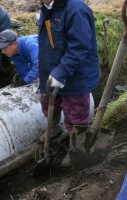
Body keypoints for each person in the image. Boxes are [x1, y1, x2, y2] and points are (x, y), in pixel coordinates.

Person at [38, 0, 100, 166]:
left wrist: (61, 72)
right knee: (47, 101)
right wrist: (47, 72)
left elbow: (79, 47)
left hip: (76, 74)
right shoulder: (47, 8)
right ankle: (55, 129)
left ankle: (79, 149)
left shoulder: (76, 10)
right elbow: (47, 43)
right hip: (53, 69)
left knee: (76, 111)